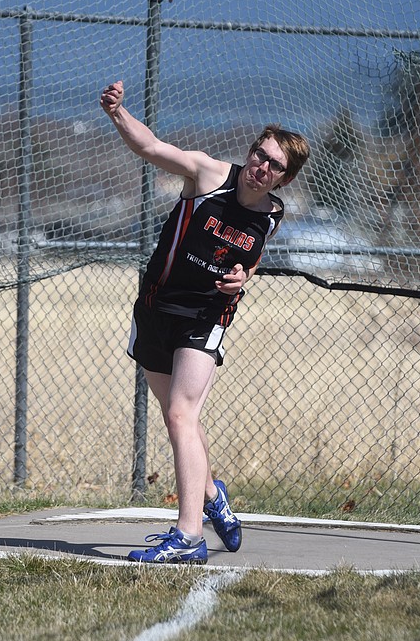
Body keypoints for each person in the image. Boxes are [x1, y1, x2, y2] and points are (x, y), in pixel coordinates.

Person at [100, 80, 310, 564]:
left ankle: (189, 536)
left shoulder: (271, 214)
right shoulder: (208, 175)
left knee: (181, 414)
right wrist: (117, 113)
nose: (261, 167)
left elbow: (250, 259)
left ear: (284, 179)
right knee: (180, 420)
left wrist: (243, 278)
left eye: (274, 165)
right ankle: (213, 497)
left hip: (206, 317)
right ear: (250, 151)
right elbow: (151, 147)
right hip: (155, 307)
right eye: (260, 154)